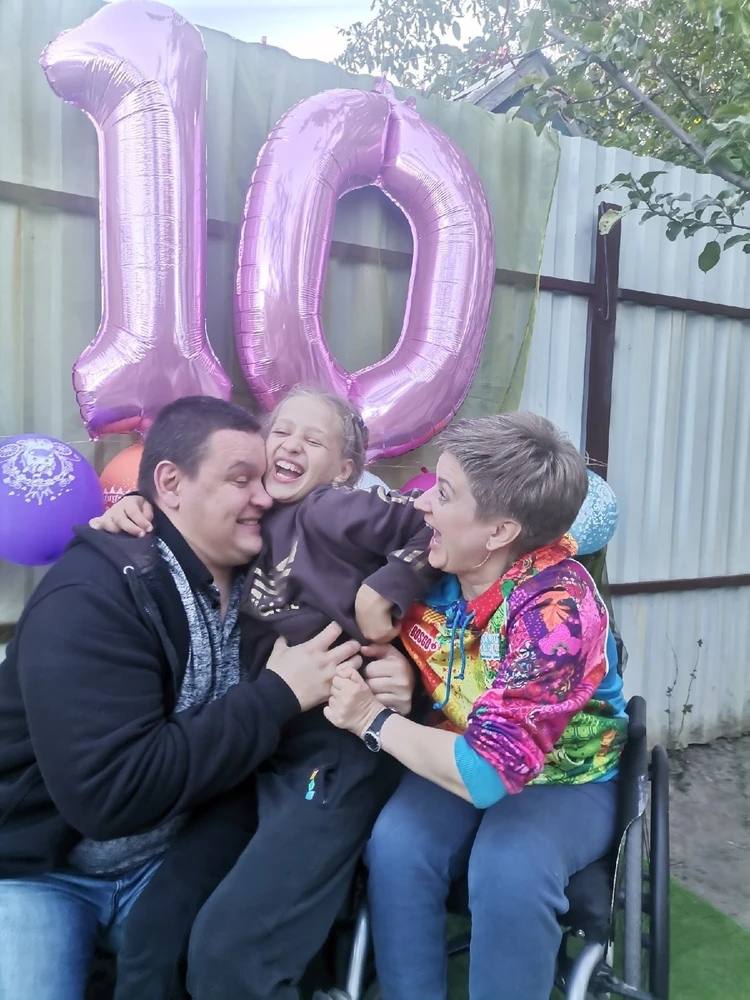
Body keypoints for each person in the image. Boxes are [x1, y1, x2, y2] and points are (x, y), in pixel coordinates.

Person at [0, 395, 409, 1000]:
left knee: (220, 956)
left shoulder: (260, 570)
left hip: (171, 852)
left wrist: (393, 666)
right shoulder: (92, 598)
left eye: (263, 478)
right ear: (170, 484)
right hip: (44, 870)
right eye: (241, 480)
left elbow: (358, 603)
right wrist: (278, 695)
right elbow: (110, 796)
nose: (264, 496)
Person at [324, 411, 628, 1000]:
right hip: (457, 738)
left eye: (443, 493)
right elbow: (310, 518)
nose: (421, 504)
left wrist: (371, 718)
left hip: (566, 777)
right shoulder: (435, 565)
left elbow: (485, 774)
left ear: (499, 532)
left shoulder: (557, 615)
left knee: (510, 867)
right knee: (398, 845)